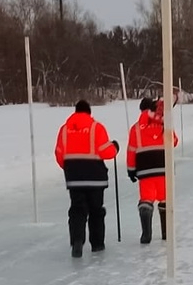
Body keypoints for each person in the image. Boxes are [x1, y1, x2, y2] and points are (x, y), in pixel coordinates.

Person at [54, 99, 119, 257]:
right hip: (95, 178)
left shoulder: (64, 129)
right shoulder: (96, 127)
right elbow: (106, 151)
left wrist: (69, 168)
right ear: (89, 112)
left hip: (74, 178)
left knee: (77, 209)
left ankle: (77, 240)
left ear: (75, 112)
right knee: (96, 210)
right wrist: (115, 147)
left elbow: (59, 153)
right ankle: (97, 244)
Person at [126, 93, 178, 244]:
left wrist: (131, 169)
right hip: (164, 167)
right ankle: (165, 232)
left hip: (145, 170)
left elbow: (131, 150)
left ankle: (146, 234)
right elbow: (174, 141)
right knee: (165, 199)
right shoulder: (163, 123)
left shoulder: (135, 128)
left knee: (146, 201)